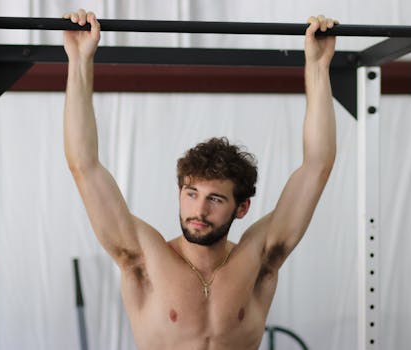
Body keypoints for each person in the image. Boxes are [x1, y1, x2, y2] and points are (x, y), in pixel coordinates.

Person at [63, 9, 337, 350]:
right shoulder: (144, 258)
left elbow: (317, 166)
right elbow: (84, 165)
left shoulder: (259, 258)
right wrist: (79, 60)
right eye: (191, 193)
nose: (199, 209)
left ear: (242, 207)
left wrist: (317, 66)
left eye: (216, 199)